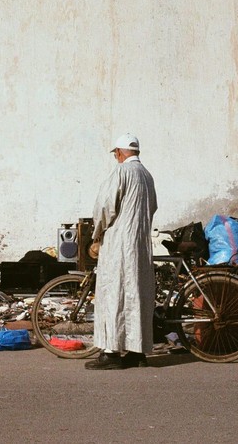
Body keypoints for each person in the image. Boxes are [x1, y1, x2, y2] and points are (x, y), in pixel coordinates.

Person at [85, 133, 157, 370]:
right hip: (140, 244)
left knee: (113, 293)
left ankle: (111, 353)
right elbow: (152, 207)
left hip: (119, 244)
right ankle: (137, 353)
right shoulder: (147, 176)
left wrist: (96, 233)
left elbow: (105, 206)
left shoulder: (121, 173)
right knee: (137, 295)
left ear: (118, 152)